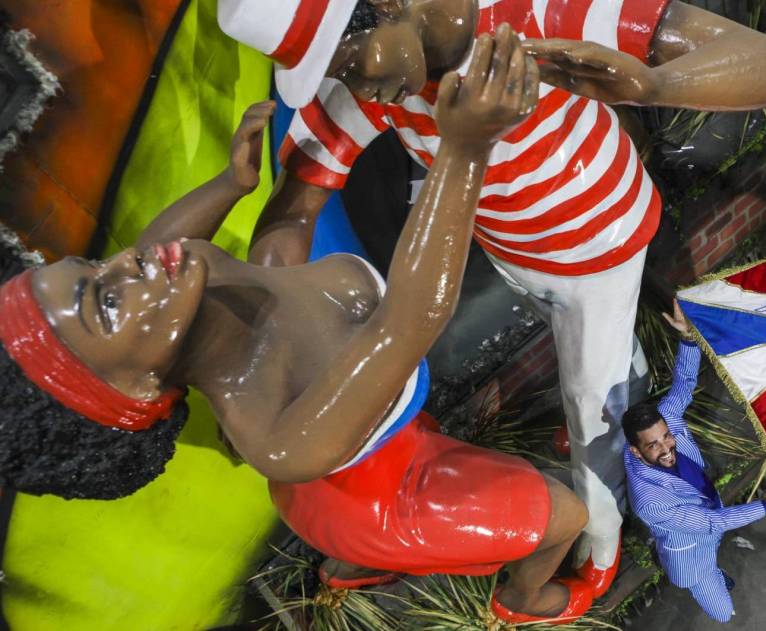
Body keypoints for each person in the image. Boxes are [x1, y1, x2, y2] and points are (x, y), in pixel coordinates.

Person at [0, 35, 602, 623]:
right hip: (384, 502)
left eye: (88, 266)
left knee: (290, 223)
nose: (124, 264)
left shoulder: (177, 273)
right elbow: (408, 323)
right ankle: (522, 601)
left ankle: (350, 569)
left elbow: (158, 240)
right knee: (566, 517)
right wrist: (466, 149)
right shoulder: (283, 440)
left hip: (378, 426)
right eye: (105, 301)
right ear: (128, 392)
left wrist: (230, 185)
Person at [216, 0, 766, 597]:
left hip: (599, 253)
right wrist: (273, 340)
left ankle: (600, 546)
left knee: (588, 410)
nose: (350, 80)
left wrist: (657, 83)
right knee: (600, 370)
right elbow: (297, 201)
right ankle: (630, 401)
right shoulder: (378, 87)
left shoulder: (533, 16)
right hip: (518, 254)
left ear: (389, 6)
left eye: (346, 59)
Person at [623, 299, 766, 623]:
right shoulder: (650, 503)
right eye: (653, 446)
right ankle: (716, 582)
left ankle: (717, 571)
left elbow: (684, 386)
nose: (666, 448)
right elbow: (712, 523)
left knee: (717, 536)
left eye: (666, 436)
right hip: (691, 557)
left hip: (708, 517)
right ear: (635, 451)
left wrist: (689, 339)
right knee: (722, 614)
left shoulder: (666, 420)